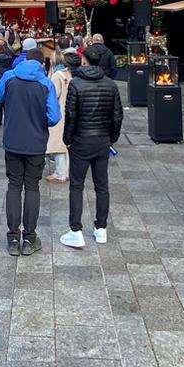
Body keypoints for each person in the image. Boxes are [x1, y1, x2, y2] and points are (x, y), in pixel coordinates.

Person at [0, 38, 61, 257]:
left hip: (12, 139)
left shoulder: (9, 76)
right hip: (36, 142)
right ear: (42, 64)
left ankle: (13, 238)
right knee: (32, 187)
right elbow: (53, 117)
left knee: (14, 185)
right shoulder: (46, 83)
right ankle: (29, 238)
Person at [61, 46, 123, 248]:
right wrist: (112, 137)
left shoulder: (76, 84)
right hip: (102, 139)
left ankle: (75, 230)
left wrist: (67, 139)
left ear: (85, 61)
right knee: (102, 186)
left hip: (80, 139)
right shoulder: (111, 84)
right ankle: (101, 228)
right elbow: (117, 115)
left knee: (77, 185)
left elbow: (71, 114)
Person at [43, 43, 72, 183]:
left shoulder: (56, 76)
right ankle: (67, 171)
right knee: (66, 145)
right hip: (68, 112)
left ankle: (60, 173)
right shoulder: (68, 73)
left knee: (58, 144)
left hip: (58, 113)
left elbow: (52, 95)